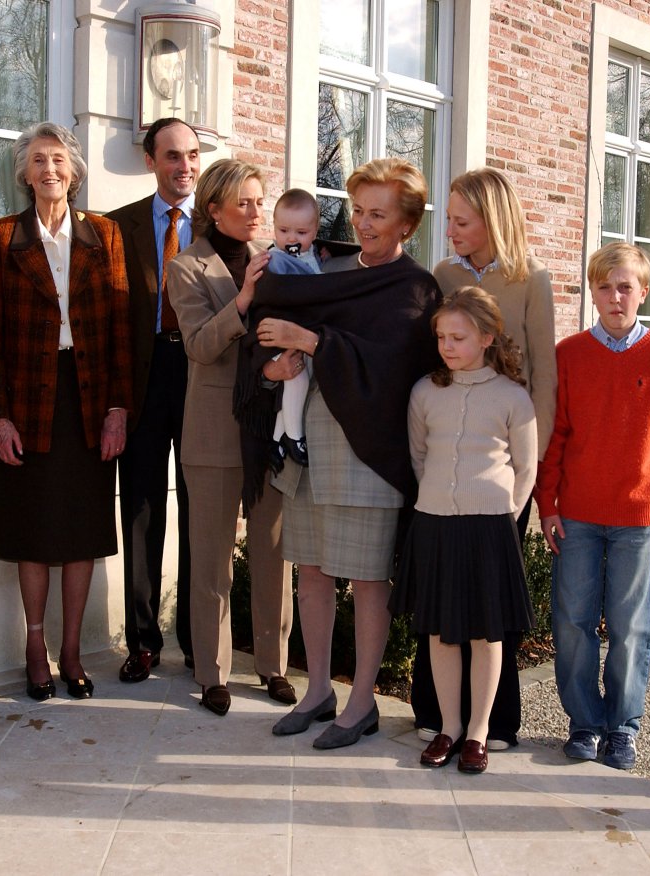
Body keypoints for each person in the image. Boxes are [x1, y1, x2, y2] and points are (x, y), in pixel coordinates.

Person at [253, 157, 442, 749]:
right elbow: (270, 321)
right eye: (358, 210)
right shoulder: (323, 268)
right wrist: (274, 365)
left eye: (378, 215)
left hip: (370, 451)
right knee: (310, 573)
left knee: (365, 580)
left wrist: (310, 340)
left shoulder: (415, 287)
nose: (362, 223)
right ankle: (317, 691)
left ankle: (361, 703)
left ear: (406, 225)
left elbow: (393, 370)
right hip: (311, 439)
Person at [0, 122, 133, 703]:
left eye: (59, 159)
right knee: (35, 532)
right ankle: (35, 648)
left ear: (75, 169)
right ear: (24, 173)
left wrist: (118, 408)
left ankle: (72, 651)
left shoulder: (105, 235)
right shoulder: (1, 237)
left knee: (82, 531)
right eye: (38, 160)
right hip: (29, 399)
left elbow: (121, 329)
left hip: (89, 398)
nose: (50, 170)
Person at [411, 167, 557, 750]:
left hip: (503, 473)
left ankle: (492, 726)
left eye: (462, 221)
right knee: (445, 598)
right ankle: (437, 717)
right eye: (447, 219)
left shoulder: (532, 279)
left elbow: (544, 375)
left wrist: (531, 470)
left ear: (493, 220)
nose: (450, 230)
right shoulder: (442, 274)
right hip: (448, 471)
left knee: (491, 604)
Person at [534, 242, 650, 771]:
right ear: (591, 291)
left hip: (638, 516)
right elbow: (556, 434)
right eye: (604, 286)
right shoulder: (569, 355)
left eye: (625, 287)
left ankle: (622, 726)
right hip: (576, 513)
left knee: (631, 625)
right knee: (572, 620)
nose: (615, 297)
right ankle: (584, 722)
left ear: (643, 291)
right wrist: (546, 503)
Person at [166, 158, 295, 716]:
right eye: (243, 202)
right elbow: (197, 345)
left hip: (270, 427)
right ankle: (212, 670)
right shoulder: (187, 267)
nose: (254, 211)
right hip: (213, 431)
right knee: (212, 558)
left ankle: (273, 665)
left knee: (273, 556)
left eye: (257, 201)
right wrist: (242, 300)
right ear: (214, 207)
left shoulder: (277, 261)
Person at [390, 288, 537, 775]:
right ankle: (448, 726)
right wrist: (437, 498)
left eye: (458, 337)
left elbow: (525, 466)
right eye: (441, 337)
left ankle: (479, 732)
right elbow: (417, 455)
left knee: (486, 635)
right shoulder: (424, 392)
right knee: (441, 633)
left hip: (490, 528)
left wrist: (507, 516)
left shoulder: (513, 397)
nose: (447, 346)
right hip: (434, 523)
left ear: (487, 338)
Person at [106, 117, 200, 683]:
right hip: (141, 379)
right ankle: (142, 641)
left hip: (200, 377)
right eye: (172, 156)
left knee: (199, 509)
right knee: (140, 510)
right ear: (151, 162)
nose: (184, 165)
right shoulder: (116, 229)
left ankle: (196, 637)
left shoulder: (218, 229)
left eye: (191, 154)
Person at [265, 188, 324, 470]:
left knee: (296, 387)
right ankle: (294, 436)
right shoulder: (274, 259)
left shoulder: (313, 257)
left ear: (314, 231)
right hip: (278, 336)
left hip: (301, 335)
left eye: (301, 233)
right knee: (296, 380)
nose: (291, 239)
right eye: (284, 230)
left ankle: (276, 440)